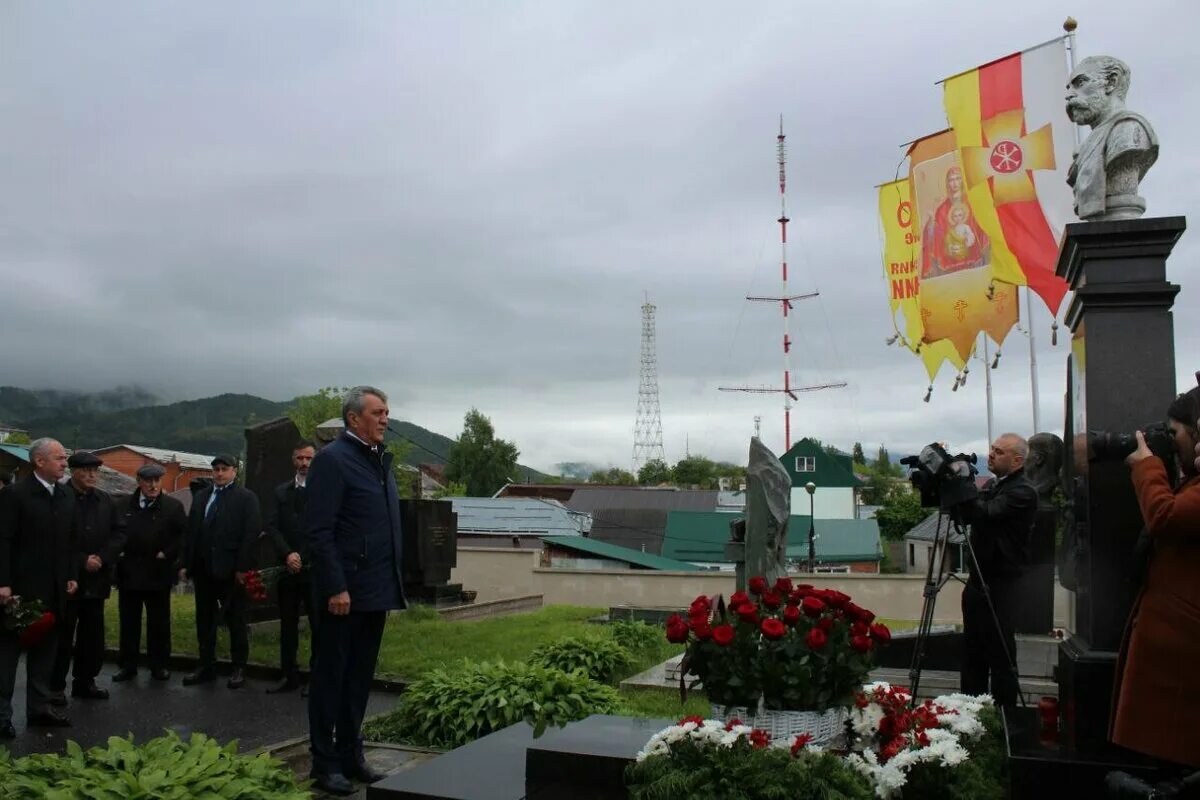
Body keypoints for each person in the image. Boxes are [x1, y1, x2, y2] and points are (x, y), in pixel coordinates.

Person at [306, 387, 405, 796]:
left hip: (375, 589)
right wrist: (336, 586)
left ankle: (351, 755)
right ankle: (323, 764)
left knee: (359, 679)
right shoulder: (333, 461)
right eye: (377, 412)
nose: (385, 419)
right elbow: (319, 530)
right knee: (331, 677)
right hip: (343, 593)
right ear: (353, 419)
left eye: (386, 412)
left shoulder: (378, 460)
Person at [1111, 387, 1200, 768]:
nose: (1174, 443)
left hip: (1182, 657)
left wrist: (1146, 464)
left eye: (1175, 432)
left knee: (1172, 759)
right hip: (1174, 650)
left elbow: (1165, 517)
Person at [0, 438, 79, 735]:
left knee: (46, 654)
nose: (64, 463)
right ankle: (2, 716)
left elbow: (70, 542)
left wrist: (72, 574)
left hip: (55, 590)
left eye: (64, 458)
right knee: (6, 656)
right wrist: (3, 583)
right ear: (39, 461)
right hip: (18, 590)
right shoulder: (15, 495)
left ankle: (39, 708)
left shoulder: (65, 496)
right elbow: (3, 540)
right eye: (59, 458)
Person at [958, 433, 1037, 707]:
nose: (991, 454)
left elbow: (985, 512)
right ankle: (968, 713)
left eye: (999, 452)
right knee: (972, 653)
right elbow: (970, 514)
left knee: (1000, 655)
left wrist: (962, 484)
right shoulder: (994, 484)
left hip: (1003, 584)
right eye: (992, 449)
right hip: (978, 580)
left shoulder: (1023, 491)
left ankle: (1006, 718)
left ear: (1017, 460)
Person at [180, 454, 261, 689]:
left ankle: (238, 667)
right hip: (203, 569)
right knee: (204, 620)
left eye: (224, 469)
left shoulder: (246, 498)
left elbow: (251, 535)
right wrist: (186, 563)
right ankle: (206, 665)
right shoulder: (203, 496)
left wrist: (243, 568)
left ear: (234, 471)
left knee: (236, 620)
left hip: (231, 571)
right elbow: (191, 531)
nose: (219, 473)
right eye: (215, 469)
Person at [52, 451, 125, 703]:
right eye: (86, 471)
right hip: (68, 578)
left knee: (92, 635)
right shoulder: (59, 497)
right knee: (62, 634)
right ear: (73, 471)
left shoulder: (105, 500)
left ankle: (85, 681)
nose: (92, 475)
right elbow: (54, 539)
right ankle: (55, 686)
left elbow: (119, 533)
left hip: (97, 579)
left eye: (96, 471)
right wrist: (83, 560)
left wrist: (102, 557)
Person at [113, 463, 187, 683]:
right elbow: (115, 533)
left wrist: (168, 553)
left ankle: (159, 665)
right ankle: (128, 665)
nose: (153, 485)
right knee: (129, 623)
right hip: (129, 574)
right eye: (148, 481)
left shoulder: (173, 507)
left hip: (157, 574)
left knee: (159, 623)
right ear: (139, 482)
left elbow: (183, 536)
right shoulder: (123, 505)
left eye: (157, 480)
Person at [1065, 55, 1158, 221]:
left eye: (1080, 83)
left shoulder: (1128, 130)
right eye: (1069, 88)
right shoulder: (1086, 145)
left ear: (1111, 82)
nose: (1069, 95)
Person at [265, 440, 316, 695]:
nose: (304, 463)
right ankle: (289, 674)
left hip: (313, 569)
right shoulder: (281, 492)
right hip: (287, 568)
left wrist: (302, 556)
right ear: (293, 460)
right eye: (300, 458)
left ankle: (316, 678)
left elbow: (322, 528)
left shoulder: (323, 491)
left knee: (318, 624)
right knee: (287, 624)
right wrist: (288, 554)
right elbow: (272, 526)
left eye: (309, 458)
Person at [920, 165, 990, 278]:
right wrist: (931, 225)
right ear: (947, 183)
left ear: (962, 180)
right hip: (951, 265)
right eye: (951, 180)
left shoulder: (972, 202)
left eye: (958, 178)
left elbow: (981, 228)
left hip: (973, 261)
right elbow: (938, 236)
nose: (955, 183)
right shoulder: (942, 209)